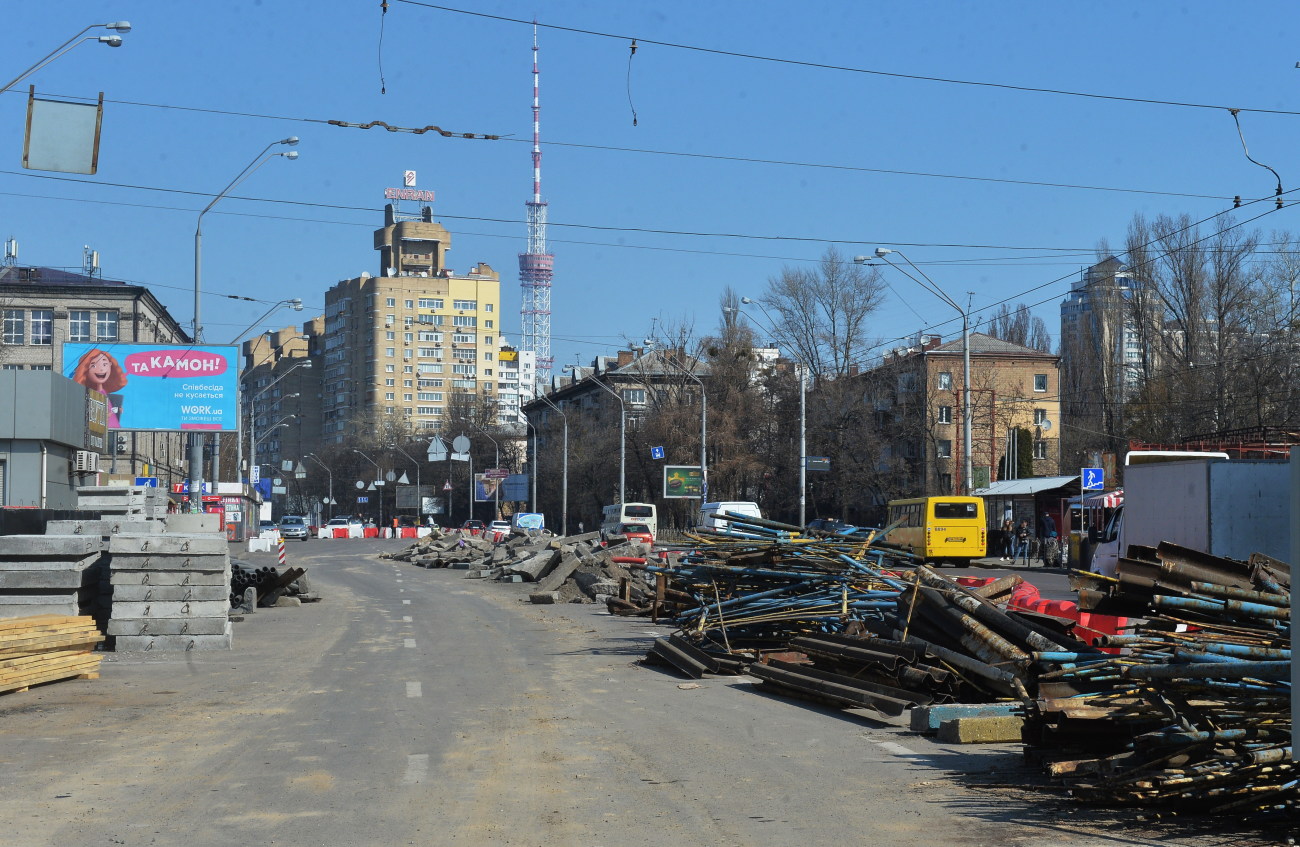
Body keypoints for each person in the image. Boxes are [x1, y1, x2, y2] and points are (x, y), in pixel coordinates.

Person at [71, 348, 127, 428]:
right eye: (93, 365)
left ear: (110, 365)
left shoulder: (107, 394)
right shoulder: (88, 395)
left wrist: (117, 411)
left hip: (112, 429)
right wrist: (105, 416)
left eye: (105, 364)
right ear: (85, 368)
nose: (101, 369)